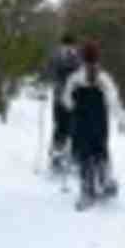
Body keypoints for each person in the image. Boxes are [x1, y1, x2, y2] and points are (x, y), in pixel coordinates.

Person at [62, 40, 125, 211]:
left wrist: (74, 107)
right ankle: (105, 181)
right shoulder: (104, 78)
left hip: (80, 124)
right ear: (98, 58)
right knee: (100, 150)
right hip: (99, 123)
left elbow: (67, 101)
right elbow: (113, 102)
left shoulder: (74, 78)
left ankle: (87, 191)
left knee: (85, 155)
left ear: (81, 58)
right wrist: (123, 121)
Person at [43, 33, 81, 171]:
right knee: (61, 126)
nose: (69, 48)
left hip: (74, 97)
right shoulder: (55, 56)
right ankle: (57, 156)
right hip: (60, 96)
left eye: (71, 46)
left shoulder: (78, 57)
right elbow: (48, 71)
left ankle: (74, 155)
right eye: (66, 46)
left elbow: (81, 72)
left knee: (74, 126)